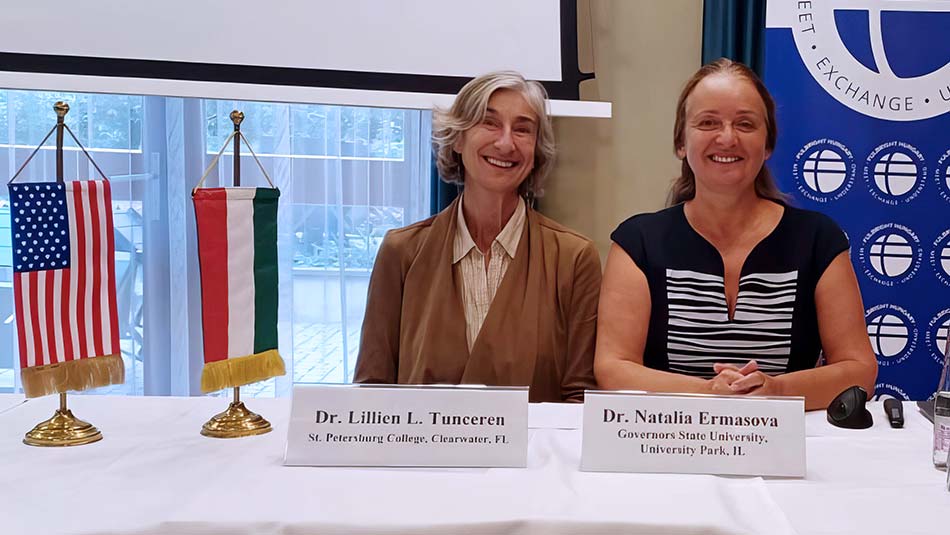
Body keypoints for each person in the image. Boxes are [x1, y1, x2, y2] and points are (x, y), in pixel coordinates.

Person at [594, 58, 877, 410]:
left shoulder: (818, 240)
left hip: (784, 448)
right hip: (667, 447)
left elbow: (859, 370)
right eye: (708, 122)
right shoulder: (638, 243)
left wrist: (776, 391)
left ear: (768, 144)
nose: (727, 138)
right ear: (681, 143)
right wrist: (708, 394)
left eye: (745, 123)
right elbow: (612, 369)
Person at [354, 71, 600, 402]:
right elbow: (371, 390)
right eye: (489, 123)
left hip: (534, 453)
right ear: (457, 138)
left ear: (536, 152)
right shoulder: (401, 252)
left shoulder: (573, 258)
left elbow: (580, 398)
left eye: (523, 129)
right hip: (420, 453)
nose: (506, 142)